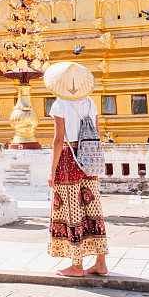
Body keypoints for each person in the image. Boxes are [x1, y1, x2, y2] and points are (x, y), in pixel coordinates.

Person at [44, 61, 108, 277]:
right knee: (93, 208)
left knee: (73, 211)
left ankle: (77, 265)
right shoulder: (90, 102)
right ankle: (101, 262)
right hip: (89, 160)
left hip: (69, 160)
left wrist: (52, 170)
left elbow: (58, 139)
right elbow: (96, 133)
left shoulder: (59, 104)